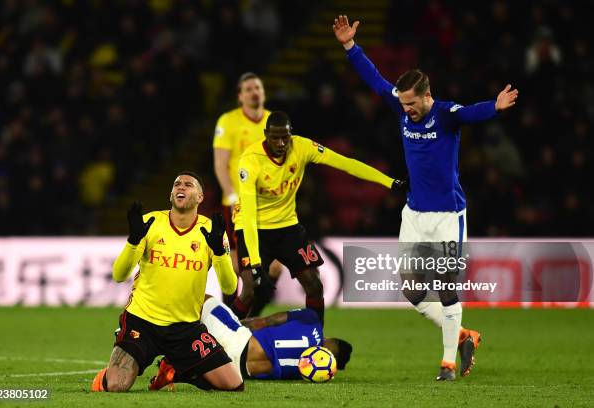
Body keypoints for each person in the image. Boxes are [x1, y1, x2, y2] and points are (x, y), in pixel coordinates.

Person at [333, 15, 519, 380]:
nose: (406, 110)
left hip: (448, 215)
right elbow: (375, 80)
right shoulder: (403, 108)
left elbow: (468, 113)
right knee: (412, 290)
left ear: (426, 96)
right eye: (402, 105)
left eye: (411, 104)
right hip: (414, 214)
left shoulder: (445, 115)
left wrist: (494, 107)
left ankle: (448, 362)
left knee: (448, 287)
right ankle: (465, 334)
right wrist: (350, 47)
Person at [231, 110, 406, 324]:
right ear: (266, 134)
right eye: (274, 137)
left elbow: (346, 164)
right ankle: (221, 339)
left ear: (290, 135)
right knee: (249, 289)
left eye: (284, 137)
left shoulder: (303, 147)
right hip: (254, 228)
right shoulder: (250, 160)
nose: (280, 143)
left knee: (315, 285)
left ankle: (316, 340)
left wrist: (389, 182)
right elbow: (247, 213)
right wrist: (256, 263)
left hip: (287, 226)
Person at [91, 171, 243, 392]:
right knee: (116, 386)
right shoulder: (150, 223)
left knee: (233, 385)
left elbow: (230, 288)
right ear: (171, 194)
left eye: (188, 184)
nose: (181, 187)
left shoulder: (212, 231)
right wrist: (133, 241)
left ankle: (173, 370)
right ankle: (108, 374)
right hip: (142, 322)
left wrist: (219, 252)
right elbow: (119, 275)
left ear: (200, 197)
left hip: (186, 328)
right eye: (176, 184)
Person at [147, 295, 353, 388]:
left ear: (328, 338)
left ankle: (149, 319)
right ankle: (180, 370)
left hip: (238, 339)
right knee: (209, 368)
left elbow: (266, 321)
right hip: (235, 371)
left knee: (203, 299)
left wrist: (237, 323)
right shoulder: (306, 371)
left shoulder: (311, 319)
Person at [212, 72, 283, 316]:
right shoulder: (228, 121)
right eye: (249, 89)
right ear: (240, 96)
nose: (255, 92)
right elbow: (221, 164)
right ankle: (228, 319)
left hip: (270, 206)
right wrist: (231, 195)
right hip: (237, 205)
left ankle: (252, 318)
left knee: (274, 268)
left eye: (258, 88)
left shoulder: (274, 123)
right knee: (235, 265)